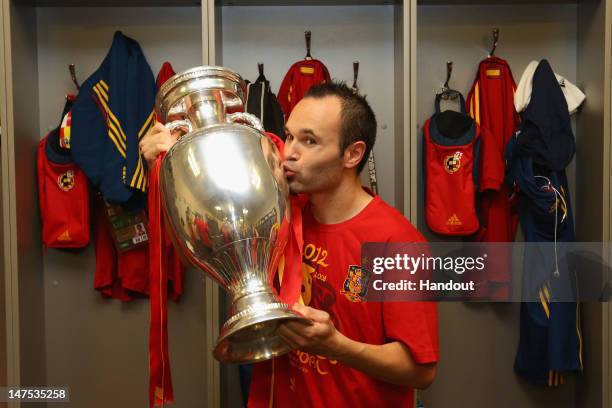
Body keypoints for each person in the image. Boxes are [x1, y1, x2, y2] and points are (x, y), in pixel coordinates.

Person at [140, 81, 438, 407]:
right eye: (290, 136)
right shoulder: (276, 214)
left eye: (309, 141)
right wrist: (170, 161)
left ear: (353, 154)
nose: (289, 152)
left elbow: (420, 371)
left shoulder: (398, 243)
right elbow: (203, 221)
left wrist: (337, 346)